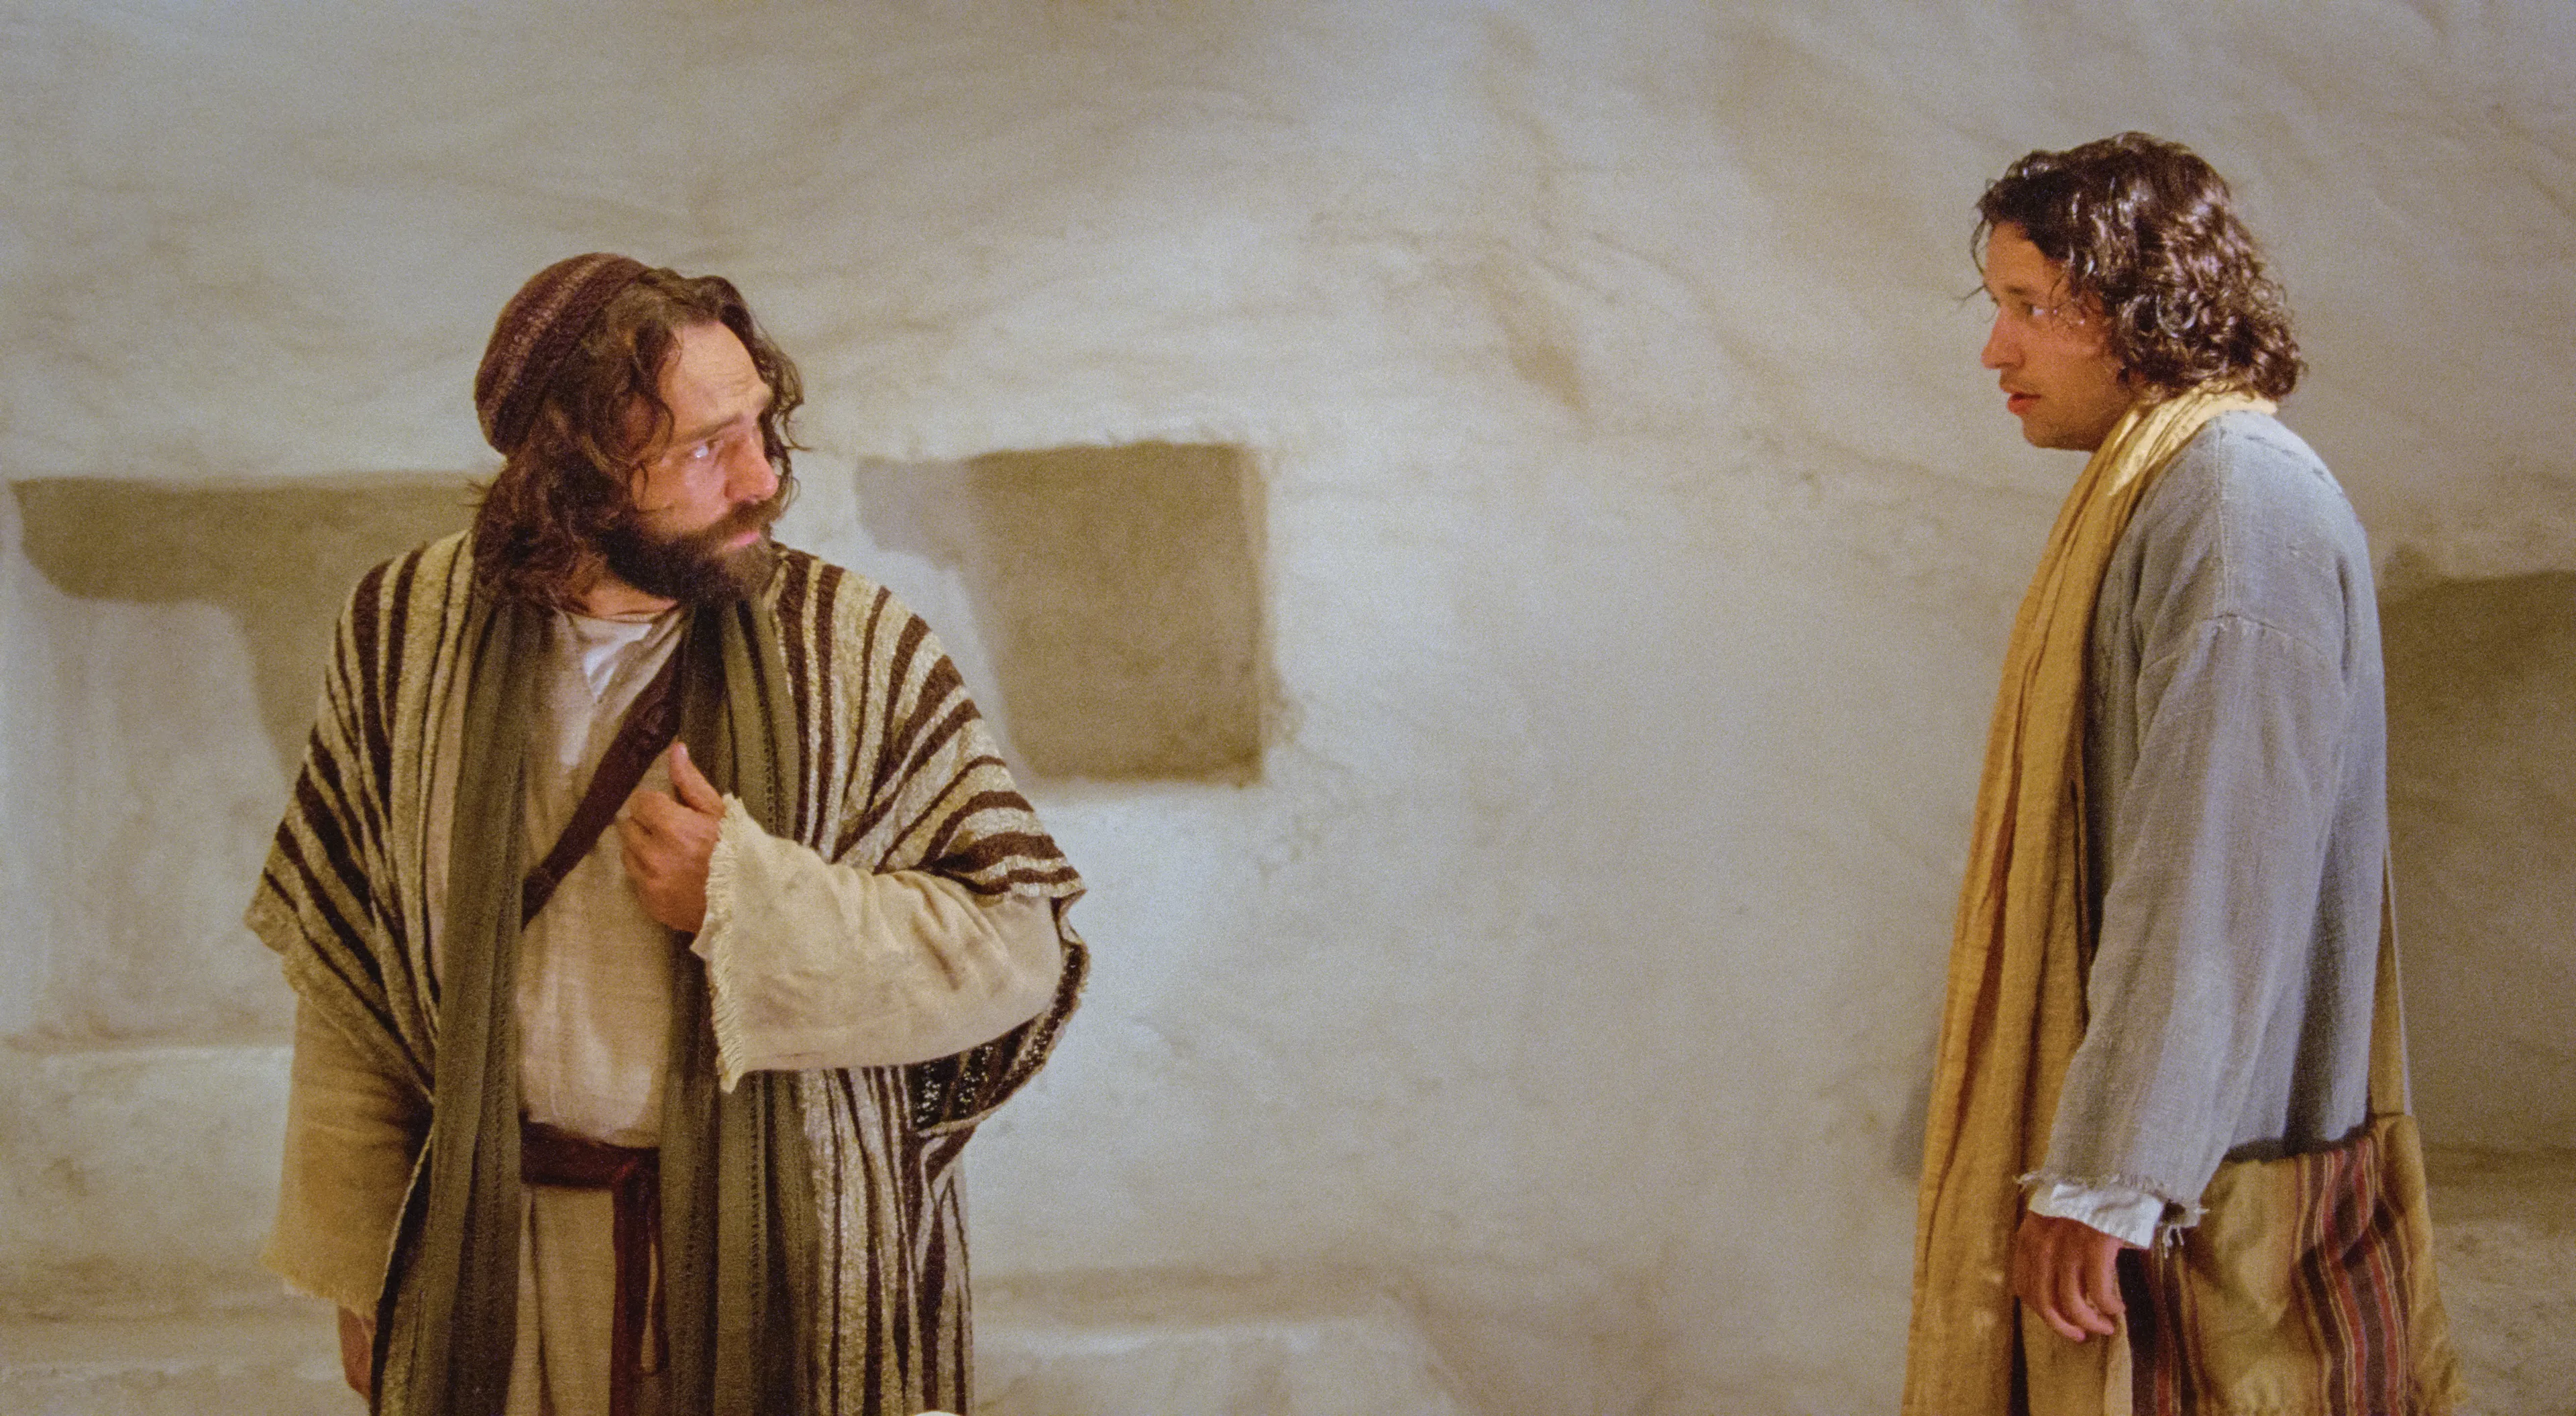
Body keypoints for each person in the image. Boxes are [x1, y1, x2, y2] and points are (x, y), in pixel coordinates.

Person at [248, 254, 1088, 1416]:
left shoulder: (856, 648)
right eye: (703, 448)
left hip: (784, 1259)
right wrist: (362, 1269)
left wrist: (753, 902)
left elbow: (1020, 944)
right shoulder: (403, 634)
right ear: (572, 476)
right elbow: (351, 979)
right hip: (497, 1270)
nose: (761, 479)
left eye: (759, 426)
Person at [1902, 135, 2455, 1413]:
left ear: (2144, 305)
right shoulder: (2172, 490)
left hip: (2195, 1182)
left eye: (2034, 308)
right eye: (2001, 309)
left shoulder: (2232, 503)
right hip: (2176, 1160)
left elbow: (2210, 868)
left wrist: (2107, 1173)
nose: (2000, 352)